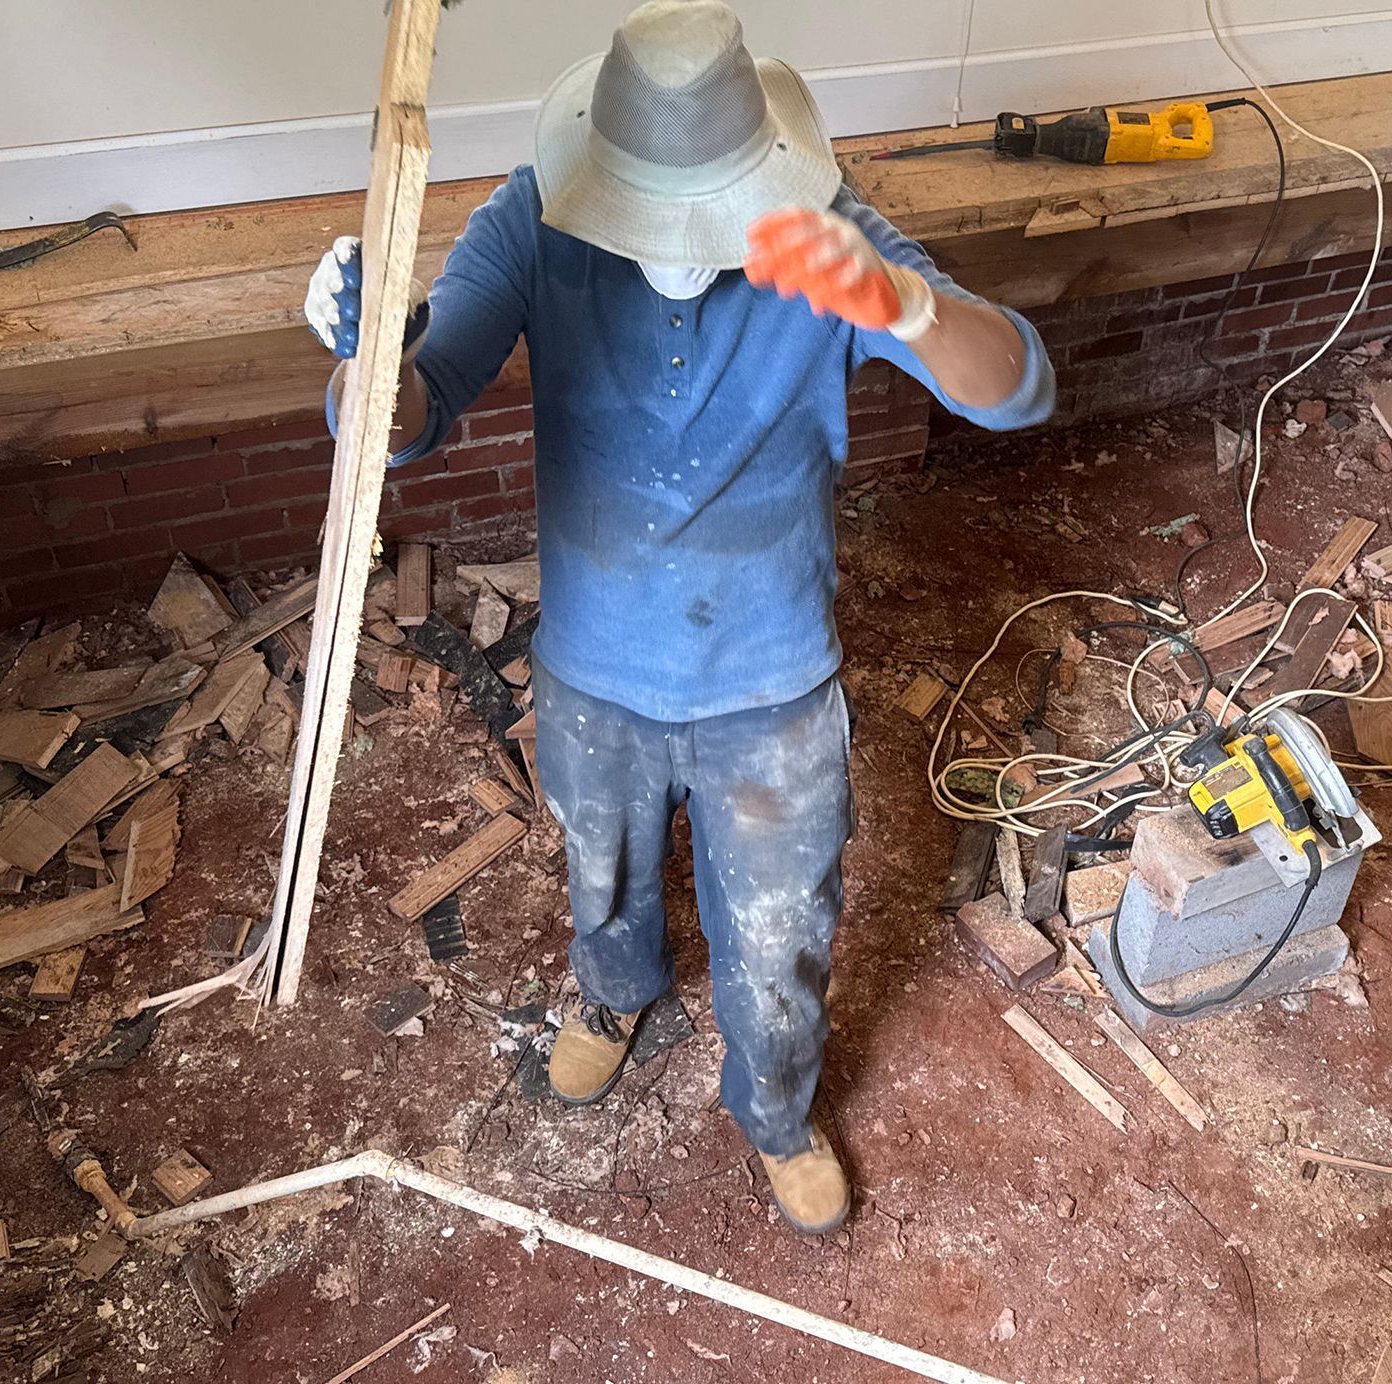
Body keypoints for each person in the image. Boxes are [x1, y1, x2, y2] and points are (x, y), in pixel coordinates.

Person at [303, 0, 1053, 1235]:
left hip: (770, 682)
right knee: (601, 877)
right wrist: (367, 353)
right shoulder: (537, 218)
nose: (680, 247)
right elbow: (410, 414)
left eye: (706, 220)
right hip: (596, 670)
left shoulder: (828, 237)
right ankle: (612, 995)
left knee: (780, 934)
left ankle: (775, 1108)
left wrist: (906, 309)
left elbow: (1017, 388)